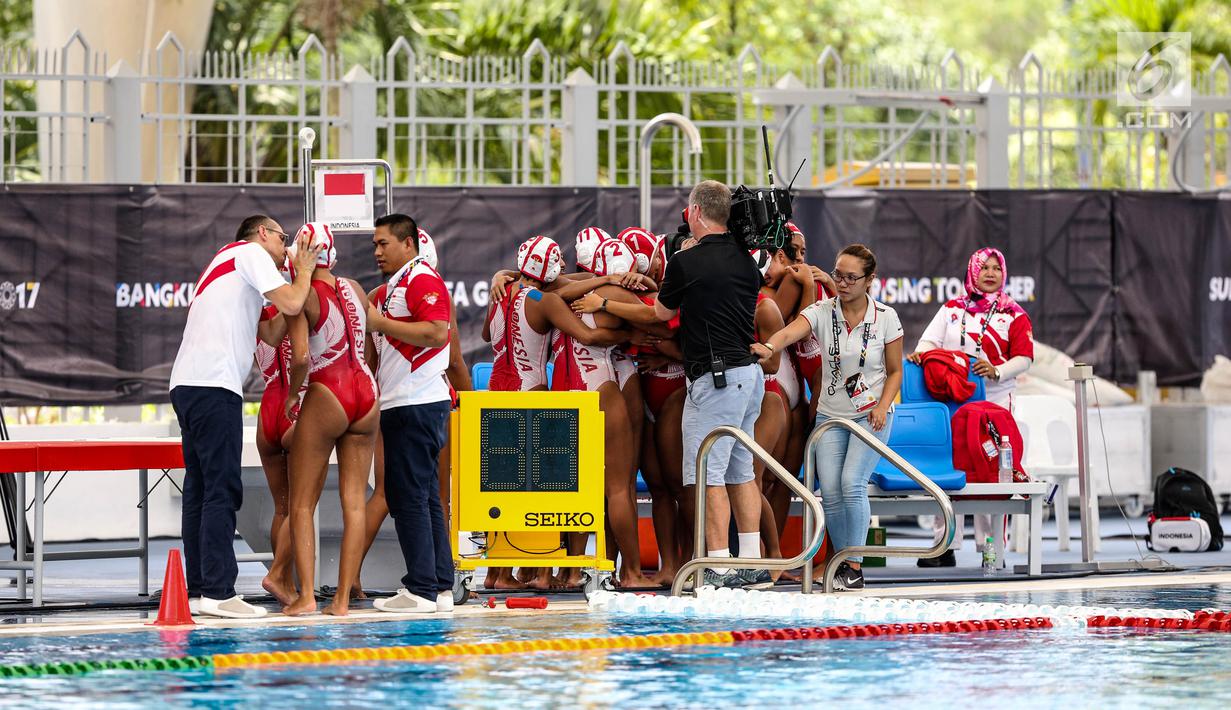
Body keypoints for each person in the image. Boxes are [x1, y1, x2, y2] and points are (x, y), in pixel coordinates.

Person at [169, 214, 318, 619]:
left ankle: (201, 587)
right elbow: (291, 301)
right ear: (263, 234)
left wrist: (291, 312)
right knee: (221, 487)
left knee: (200, 489)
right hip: (214, 385)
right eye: (283, 239)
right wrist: (303, 272)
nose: (285, 248)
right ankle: (219, 592)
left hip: (187, 384)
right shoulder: (250, 251)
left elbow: (269, 334)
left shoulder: (225, 265)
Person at [482, 235, 631, 589]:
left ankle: (497, 573)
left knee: (501, 489)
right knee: (543, 491)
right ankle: (543, 571)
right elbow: (587, 336)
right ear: (546, 267)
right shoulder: (543, 301)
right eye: (558, 263)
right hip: (531, 393)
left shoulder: (503, 292)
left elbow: (489, 333)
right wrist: (629, 332)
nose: (564, 267)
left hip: (496, 394)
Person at [753, 243, 903, 591]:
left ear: (870, 280)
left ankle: (852, 563)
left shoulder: (886, 317)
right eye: (839, 275)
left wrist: (882, 405)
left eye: (852, 277)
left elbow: (895, 372)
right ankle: (841, 563)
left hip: (871, 414)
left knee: (852, 483)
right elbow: (792, 331)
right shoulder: (823, 311)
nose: (844, 282)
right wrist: (770, 346)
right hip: (831, 416)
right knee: (831, 492)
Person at [654, 180, 765, 588]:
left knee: (707, 472)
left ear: (696, 213)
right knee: (741, 471)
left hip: (716, 379)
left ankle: (718, 565)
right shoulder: (746, 260)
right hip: (748, 377)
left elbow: (662, 313)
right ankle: (752, 561)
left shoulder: (687, 263)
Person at [908, 247, 1034, 567]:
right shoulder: (951, 309)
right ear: (972, 271)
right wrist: (920, 355)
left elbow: (1025, 358)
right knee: (949, 473)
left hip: (995, 405)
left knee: (992, 477)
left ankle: (992, 551)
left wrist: (997, 370)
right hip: (954, 406)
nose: (990, 273)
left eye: (996, 268)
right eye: (984, 268)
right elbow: (927, 344)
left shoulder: (1013, 313)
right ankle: (943, 546)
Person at [278, 223, 380, 616]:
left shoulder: (302, 295)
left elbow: (301, 358)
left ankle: (305, 598)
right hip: (366, 394)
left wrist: (292, 396)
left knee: (302, 503)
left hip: (328, 390)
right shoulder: (353, 287)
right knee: (355, 502)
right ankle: (341, 601)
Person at [365, 213, 455, 614]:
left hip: (417, 400)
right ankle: (439, 585)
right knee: (423, 497)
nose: (377, 251)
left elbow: (437, 332)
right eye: (375, 244)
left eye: (384, 243)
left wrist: (380, 322)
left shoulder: (421, 278)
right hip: (405, 400)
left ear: (408, 243)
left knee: (409, 498)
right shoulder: (396, 285)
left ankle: (420, 588)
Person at [254, 304, 301, 606]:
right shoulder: (306, 307)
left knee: (282, 507)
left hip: (268, 407)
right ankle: (279, 574)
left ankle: (283, 580)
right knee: (302, 504)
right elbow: (303, 359)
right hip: (295, 407)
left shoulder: (260, 313)